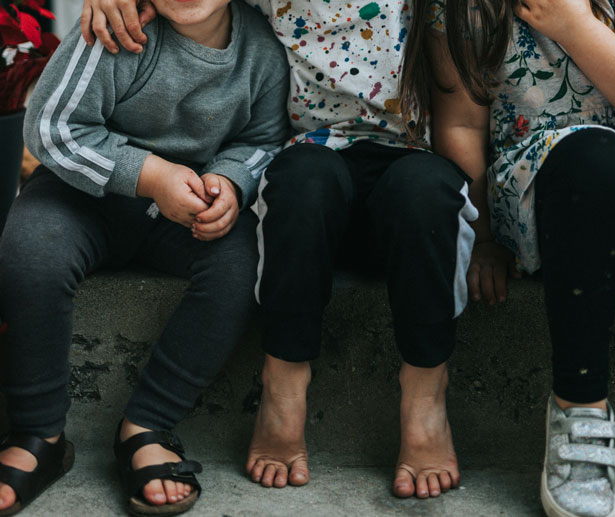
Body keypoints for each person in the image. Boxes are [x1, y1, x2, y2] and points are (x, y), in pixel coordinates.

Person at [80, 0, 481, 499]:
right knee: (305, 177)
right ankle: (283, 389)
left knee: (426, 189)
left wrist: (487, 240)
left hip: (407, 186)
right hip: (309, 195)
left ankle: (425, 399)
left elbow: (462, 118)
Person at [401, 0, 615, 515]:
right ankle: (579, 405)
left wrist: (575, 25)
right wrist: (483, 237)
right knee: (594, 157)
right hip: (549, 198)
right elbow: (462, 128)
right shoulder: (463, 9)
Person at [0, 0, 289, 513]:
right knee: (29, 253)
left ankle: (147, 425)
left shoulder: (262, 51)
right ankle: (38, 434)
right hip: (80, 193)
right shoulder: (117, 30)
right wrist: (151, 176)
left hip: (186, 206)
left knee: (241, 264)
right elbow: (50, 127)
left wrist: (231, 180)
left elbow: (263, 139)